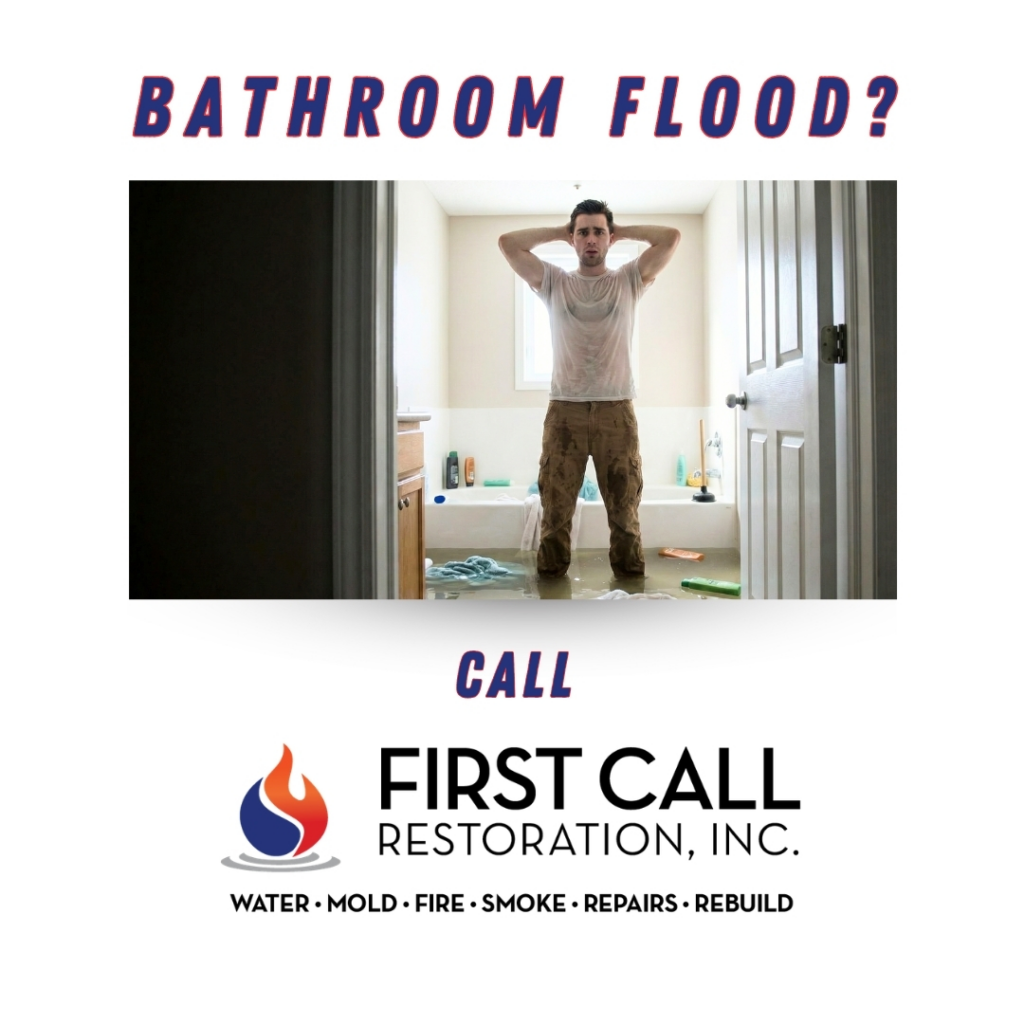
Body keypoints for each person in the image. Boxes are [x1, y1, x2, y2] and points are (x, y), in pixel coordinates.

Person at [498, 200, 681, 579]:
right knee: (555, 516)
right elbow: (508, 243)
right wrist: (562, 232)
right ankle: (551, 599)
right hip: (565, 411)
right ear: (573, 239)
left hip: (617, 411)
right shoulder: (554, 281)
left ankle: (631, 597)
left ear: (610, 239)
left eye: (599, 232)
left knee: (625, 517)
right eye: (583, 232)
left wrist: (621, 231)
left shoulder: (629, 278)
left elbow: (671, 238)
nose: (591, 239)